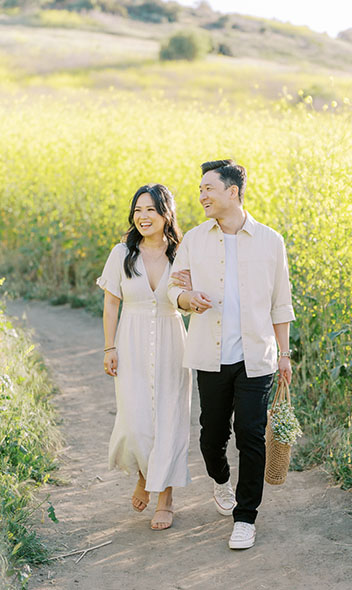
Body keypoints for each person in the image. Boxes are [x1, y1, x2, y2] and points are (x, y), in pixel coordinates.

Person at [167, 159, 295, 550]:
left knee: (251, 435)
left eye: (208, 188)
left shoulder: (271, 241)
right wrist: (187, 298)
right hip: (210, 353)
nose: (201, 195)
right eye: (201, 188)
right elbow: (172, 290)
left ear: (232, 192)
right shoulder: (194, 239)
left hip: (258, 356)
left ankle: (246, 517)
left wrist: (285, 355)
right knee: (211, 437)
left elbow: (281, 304)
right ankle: (222, 482)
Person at [97, 183, 191, 531]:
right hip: (131, 340)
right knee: (135, 421)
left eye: (151, 209)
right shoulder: (122, 253)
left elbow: (190, 294)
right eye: (138, 210)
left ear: (166, 213)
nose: (143, 216)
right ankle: (143, 475)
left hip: (171, 342)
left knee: (169, 419)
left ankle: (164, 496)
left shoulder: (182, 253)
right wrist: (109, 347)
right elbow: (111, 302)